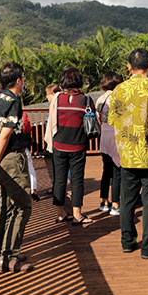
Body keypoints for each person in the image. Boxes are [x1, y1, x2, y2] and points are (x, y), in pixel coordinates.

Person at [108, 48, 148, 259]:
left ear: (129, 67)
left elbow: (112, 120)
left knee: (126, 201)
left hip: (126, 155)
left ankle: (127, 242)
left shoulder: (118, 90)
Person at [0, 62, 33, 273]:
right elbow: (6, 133)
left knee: (7, 205)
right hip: (10, 159)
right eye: (22, 79)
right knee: (23, 204)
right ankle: (8, 257)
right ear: (18, 80)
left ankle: (5, 251)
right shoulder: (13, 101)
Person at [46, 68, 96, 225]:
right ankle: (77, 214)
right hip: (78, 146)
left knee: (59, 179)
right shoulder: (86, 100)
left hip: (59, 145)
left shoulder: (57, 99)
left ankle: (61, 214)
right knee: (76, 180)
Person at [96, 72, 123, 215]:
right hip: (116, 135)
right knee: (117, 171)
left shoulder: (100, 99)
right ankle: (116, 204)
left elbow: (99, 119)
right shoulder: (118, 97)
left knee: (106, 171)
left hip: (104, 136)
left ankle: (104, 201)